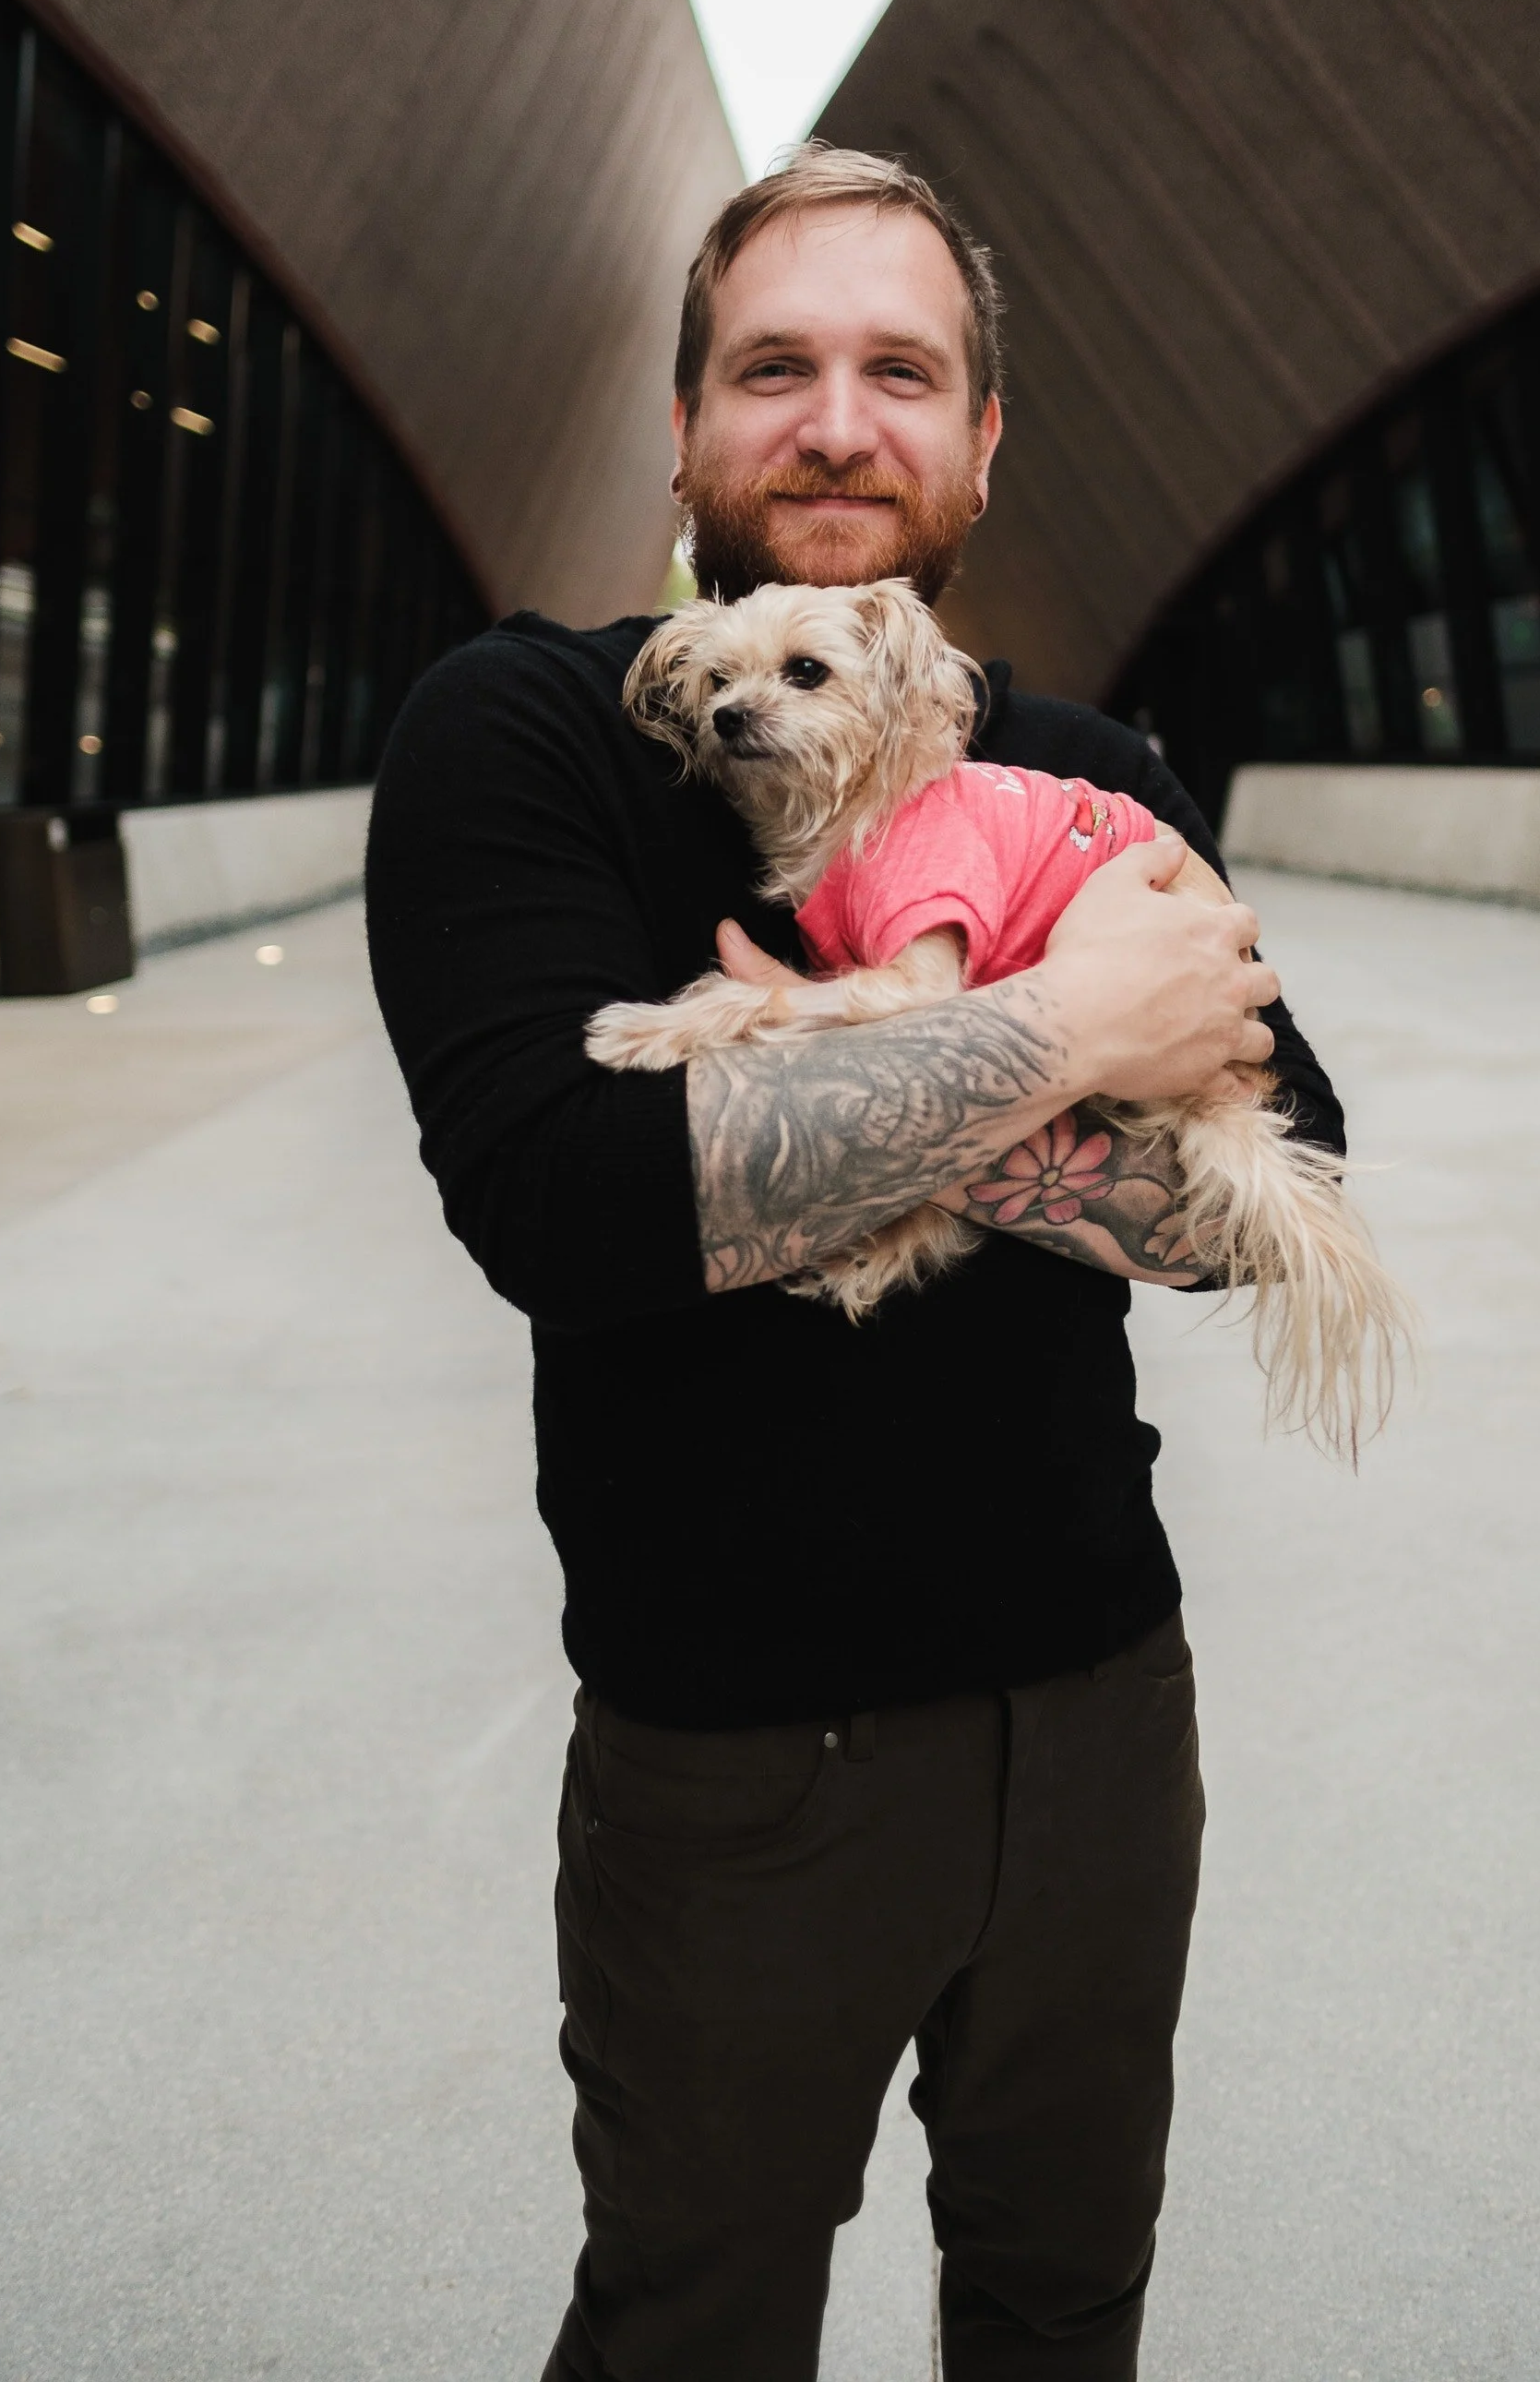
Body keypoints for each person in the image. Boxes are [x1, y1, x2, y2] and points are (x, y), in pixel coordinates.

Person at [365, 145, 1345, 2380]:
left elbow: (1275, 1185)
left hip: (1105, 1707)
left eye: (901, 371)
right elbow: (574, 1208)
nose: (835, 420)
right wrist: (1076, 1031)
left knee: (1062, 2310)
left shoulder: (1081, 767)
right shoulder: (520, 732)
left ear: (981, 444)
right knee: (691, 2329)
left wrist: (866, 1082)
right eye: (772, 366)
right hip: (733, 1754)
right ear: (687, 425)